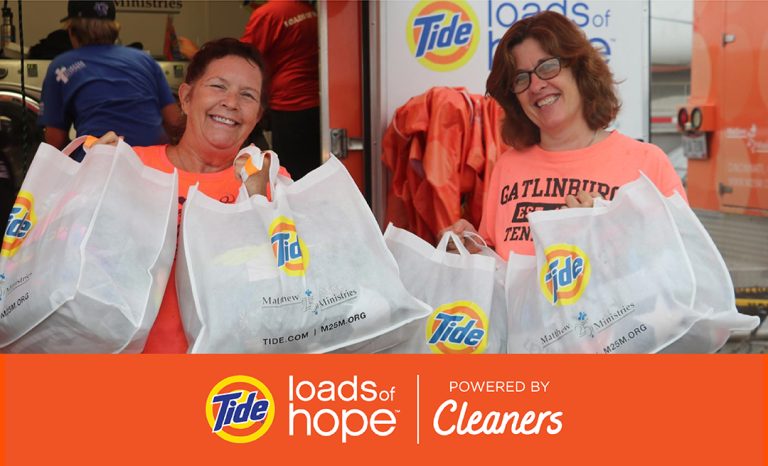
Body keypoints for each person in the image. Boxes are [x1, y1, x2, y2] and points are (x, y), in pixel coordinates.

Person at [98, 38, 288, 353]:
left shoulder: (270, 179)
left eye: (247, 95)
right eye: (218, 86)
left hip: (232, 386)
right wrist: (94, 181)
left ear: (257, 116)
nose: (231, 102)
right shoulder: (129, 168)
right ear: (186, 98)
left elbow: (294, 281)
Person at [446, 11, 685, 259]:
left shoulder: (647, 163)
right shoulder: (508, 166)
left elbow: (682, 264)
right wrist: (473, 249)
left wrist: (615, 231)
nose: (536, 85)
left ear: (580, 71)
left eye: (548, 66)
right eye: (521, 78)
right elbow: (499, 267)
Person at [179, 0, 320, 179]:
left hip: (288, 105)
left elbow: (240, 62)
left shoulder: (269, 13)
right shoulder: (306, 10)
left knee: (290, 173)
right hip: (313, 104)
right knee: (306, 173)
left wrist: (195, 53)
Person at [38, 1, 182, 154]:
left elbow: (55, 141)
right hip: (152, 165)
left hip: (100, 164)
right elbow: (174, 123)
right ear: (114, 28)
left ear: (72, 30)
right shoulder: (144, 60)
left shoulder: (62, 66)